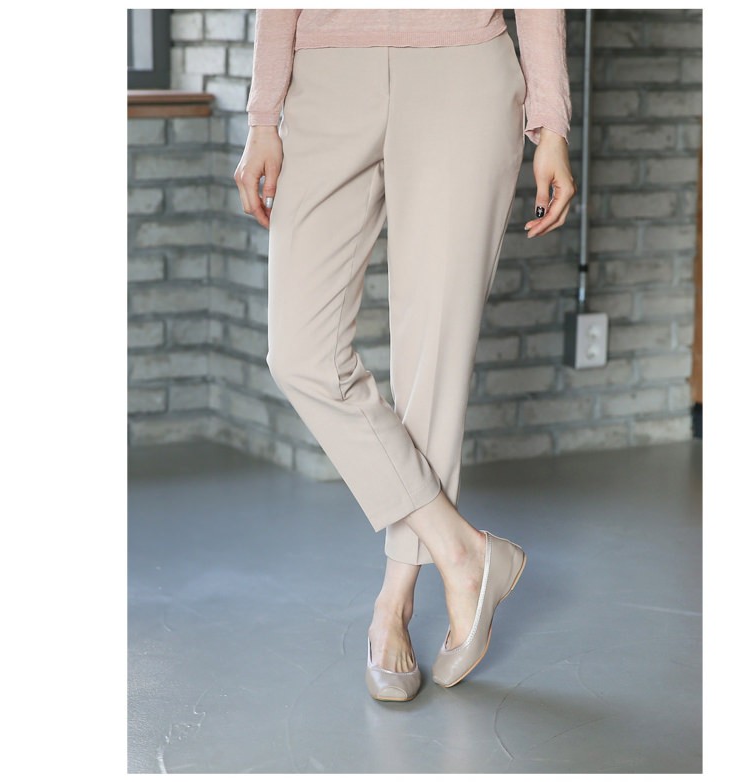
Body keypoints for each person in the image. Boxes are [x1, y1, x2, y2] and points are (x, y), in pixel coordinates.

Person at [233, 8, 574, 702]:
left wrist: (552, 124)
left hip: (463, 67)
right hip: (326, 70)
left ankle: (395, 599)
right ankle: (462, 553)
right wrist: (263, 115)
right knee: (300, 352)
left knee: (434, 356)